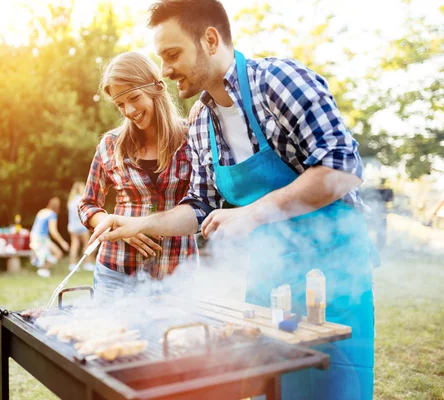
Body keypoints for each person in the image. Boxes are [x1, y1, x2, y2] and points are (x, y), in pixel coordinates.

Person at [90, 1, 375, 399]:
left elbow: (342, 168)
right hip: (268, 277)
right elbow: (200, 208)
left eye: (172, 55)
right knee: (270, 387)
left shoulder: (279, 81)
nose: (166, 71)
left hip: (330, 277)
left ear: (209, 40)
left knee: (332, 386)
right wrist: (139, 224)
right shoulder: (202, 123)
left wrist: (252, 214)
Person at [78, 51, 197, 297]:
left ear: (156, 88)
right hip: (117, 272)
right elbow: (87, 205)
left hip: (178, 274)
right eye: (120, 104)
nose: (130, 110)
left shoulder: (192, 137)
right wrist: (117, 228)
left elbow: (204, 201)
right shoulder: (110, 144)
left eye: (134, 97)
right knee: (112, 336)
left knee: (177, 336)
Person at [30, 196, 70, 278]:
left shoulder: (42, 211)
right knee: (58, 253)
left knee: (44, 254)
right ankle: (43, 269)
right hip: (42, 238)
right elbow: (53, 231)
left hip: (34, 236)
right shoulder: (52, 214)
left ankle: (42, 269)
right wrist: (62, 243)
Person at [67, 181, 95, 271]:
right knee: (86, 244)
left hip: (72, 226)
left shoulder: (71, 200)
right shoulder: (81, 200)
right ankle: (87, 264)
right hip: (81, 226)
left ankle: (72, 265)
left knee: (74, 245)